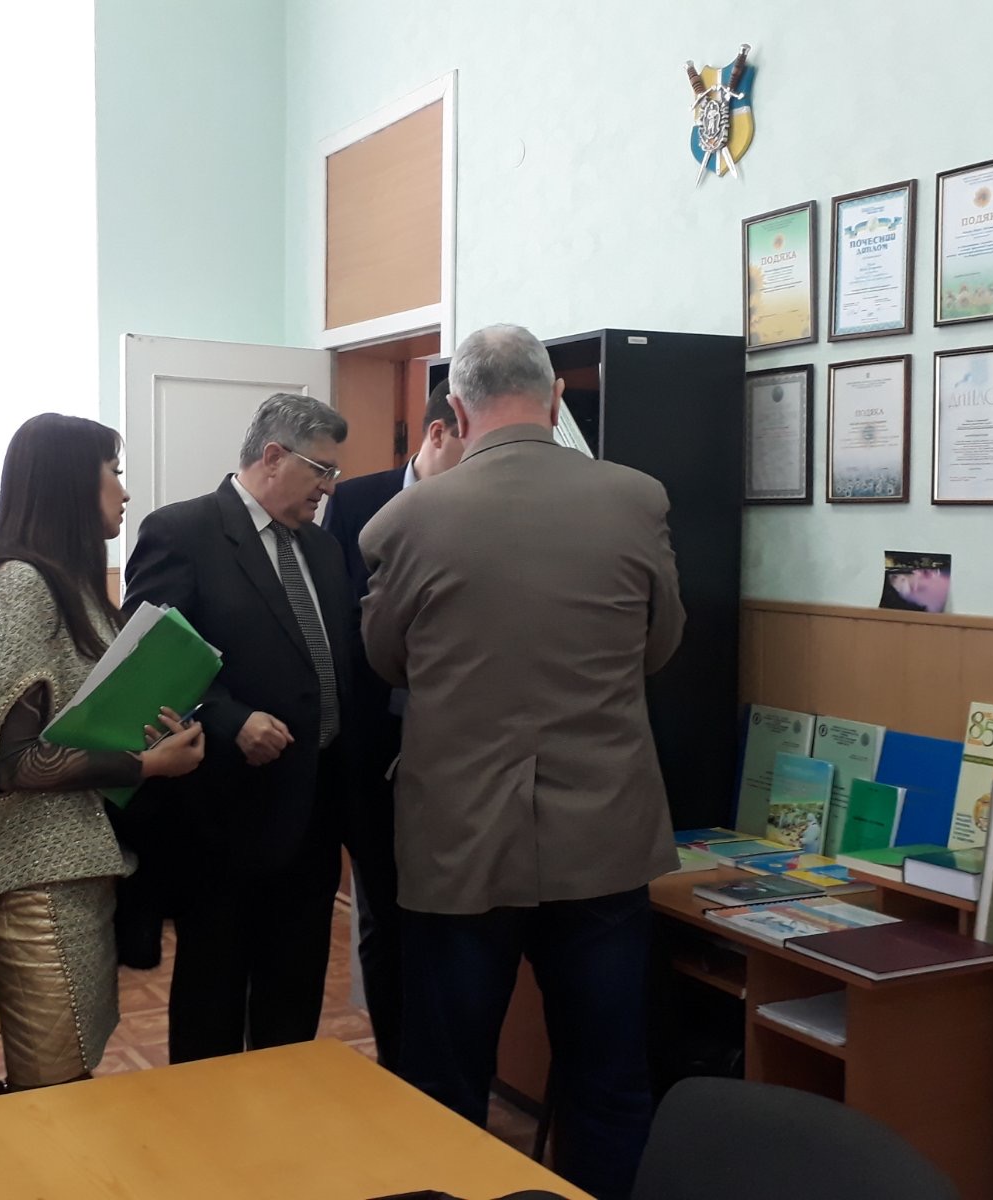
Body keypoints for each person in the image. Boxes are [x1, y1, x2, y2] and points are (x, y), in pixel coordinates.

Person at [359, 325, 685, 1200]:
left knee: (446, 1082)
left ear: (457, 412)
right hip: (603, 834)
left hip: (460, 840)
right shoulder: (636, 499)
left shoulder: (409, 519)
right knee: (609, 1082)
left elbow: (386, 660)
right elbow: (660, 646)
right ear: (556, 398)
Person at [0, 413, 204, 1090]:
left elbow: (72, 723)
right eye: (114, 472)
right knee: (49, 1087)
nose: (125, 491)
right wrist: (147, 764)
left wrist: (151, 729)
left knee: (66, 1076)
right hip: (31, 881)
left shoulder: (70, 582)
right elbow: (12, 763)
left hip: (73, 870)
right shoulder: (22, 586)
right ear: (70, 485)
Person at [124, 393, 354, 1063]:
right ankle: (204, 1125)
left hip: (313, 813)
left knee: (294, 997)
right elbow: (148, 662)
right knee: (213, 1002)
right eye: (321, 470)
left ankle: (279, 1117)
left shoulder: (323, 548)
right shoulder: (183, 531)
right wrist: (230, 719)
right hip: (224, 817)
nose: (328, 487)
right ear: (274, 456)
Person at [320, 378, 464, 1072]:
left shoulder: (477, 506)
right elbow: (335, 616)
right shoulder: (355, 501)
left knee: (446, 922)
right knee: (381, 915)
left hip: (457, 750)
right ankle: (396, 1065)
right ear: (438, 434)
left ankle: (436, 1069)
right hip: (373, 747)